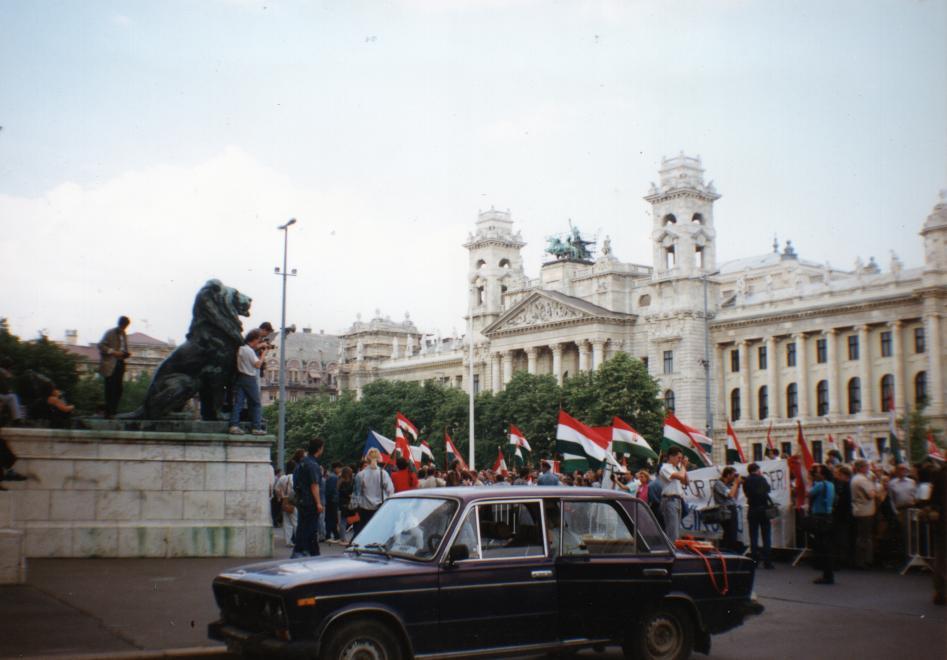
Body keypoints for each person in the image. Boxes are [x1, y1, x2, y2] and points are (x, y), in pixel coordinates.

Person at [228, 329, 268, 436]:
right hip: (249, 378)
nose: (258, 342)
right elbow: (258, 364)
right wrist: (264, 354)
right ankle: (256, 427)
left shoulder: (241, 349)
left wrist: (260, 346)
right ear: (254, 339)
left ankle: (234, 425)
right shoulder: (250, 351)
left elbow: (251, 349)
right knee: (256, 403)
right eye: (258, 340)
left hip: (240, 377)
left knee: (238, 403)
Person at [292, 438, 325, 558]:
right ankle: (304, 552)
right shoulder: (313, 465)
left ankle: (311, 552)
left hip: (301, 499)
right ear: (319, 448)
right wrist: (318, 503)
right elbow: (314, 485)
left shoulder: (301, 463)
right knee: (310, 528)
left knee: (303, 526)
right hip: (310, 501)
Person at [353, 448, 394, 536]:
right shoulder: (383, 473)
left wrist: (355, 509)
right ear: (379, 459)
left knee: (364, 531)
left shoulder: (360, 475)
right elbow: (390, 490)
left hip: (364, 508)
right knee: (377, 532)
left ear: (367, 459)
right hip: (379, 508)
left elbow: (356, 494)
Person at [808, 464, 836, 584]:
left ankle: (826, 574)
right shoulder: (831, 484)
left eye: (818, 472)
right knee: (827, 545)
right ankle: (828, 573)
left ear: (822, 474)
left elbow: (809, 494)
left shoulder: (819, 485)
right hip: (828, 515)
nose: (816, 474)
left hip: (819, 516)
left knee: (821, 545)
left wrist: (811, 481)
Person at [98, 316, 130, 418]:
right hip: (110, 365)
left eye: (125, 326)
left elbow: (123, 348)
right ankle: (109, 412)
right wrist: (113, 352)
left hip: (120, 363)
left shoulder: (124, 334)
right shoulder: (110, 332)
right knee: (110, 389)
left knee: (118, 389)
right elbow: (100, 346)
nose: (124, 328)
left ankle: (114, 410)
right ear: (120, 324)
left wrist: (125, 353)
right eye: (123, 326)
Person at [743, 462, 774, 569]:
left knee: (753, 535)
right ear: (757, 470)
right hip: (763, 509)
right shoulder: (762, 479)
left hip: (752, 509)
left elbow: (746, 493)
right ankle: (767, 561)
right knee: (766, 535)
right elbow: (768, 489)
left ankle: (754, 559)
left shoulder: (746, 480)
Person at [851, 459, 879, 569]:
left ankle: (861, 559)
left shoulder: (855, 478)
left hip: (859, 509)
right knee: (865, 537)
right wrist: (874, 484)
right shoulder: (862, 480)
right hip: (865, 511)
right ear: (862, 468)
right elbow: (871, 494)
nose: (869, 468)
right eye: (867, 466)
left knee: (861, 536)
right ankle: (864, 560)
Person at [659, 447, 690, 542]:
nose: (680, 460)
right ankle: (671, 553)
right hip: (670, 500)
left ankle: (672, 551)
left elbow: (686, 482)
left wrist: (684, 467)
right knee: (673, 533)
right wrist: (683, 466)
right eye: (678, 458)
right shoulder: (665, 468)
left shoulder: (675, 468)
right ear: (670, 457)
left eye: (681, 458)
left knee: (675, 530)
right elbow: (680, 476)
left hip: (677, 501)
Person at [889, 463, 918, 560]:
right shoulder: (892, 483)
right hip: (900, 510)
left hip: (911, 509)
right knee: (904, 532)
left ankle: (914, 554)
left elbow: (915, 495)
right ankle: (906, 555)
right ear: (897, 471)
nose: (903, 471)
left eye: (904, 469)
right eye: (900, 469)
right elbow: (891, 499)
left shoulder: (912, 482)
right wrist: (895, 512)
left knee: (913, 531)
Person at [713, 466, 742, 552]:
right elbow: (729, 495)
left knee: (732, 533)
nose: (735, 478)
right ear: (728, 475)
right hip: (725, 510)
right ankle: (726, 551)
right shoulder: (719, 483)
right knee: (730, 532)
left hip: (731, 508)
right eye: (734, 475)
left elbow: (734, 497)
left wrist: (737, 486)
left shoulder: (730, 485)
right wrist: (736, 483)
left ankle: (728, 551)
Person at [275, 461, 297, 548]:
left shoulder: (282, 478)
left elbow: (276, 489)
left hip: (284, 501)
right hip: (292, 502)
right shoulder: (294, 477)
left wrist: (281, 496)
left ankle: (288, 541)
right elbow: (295, 490)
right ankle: (299, 540)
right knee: (295, 522)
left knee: (286, 522)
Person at [337, 466, 356, 544]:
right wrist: (350, 494)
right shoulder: (350, 482)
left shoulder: (340, 481)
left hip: (342, 503)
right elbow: (349, 491)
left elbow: (340, 491)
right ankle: (352, 537)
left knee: (343, 520)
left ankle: (342, 537)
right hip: (349, 502)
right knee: (354, 520)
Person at [324, 462, 341, 543]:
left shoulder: (331, 476)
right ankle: (333, 535)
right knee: (333, 518)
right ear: (336, 468)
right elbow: (332, 490)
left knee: (330, 518)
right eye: (339, 468)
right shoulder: (334, 477)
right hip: (332, 500)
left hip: (330, 500)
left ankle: (333, 534)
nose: (340, 470)